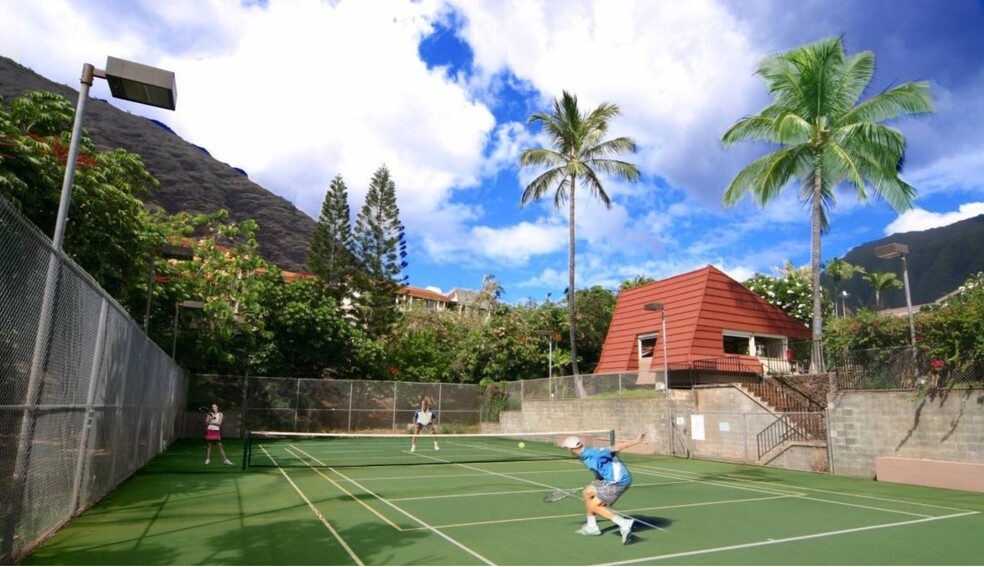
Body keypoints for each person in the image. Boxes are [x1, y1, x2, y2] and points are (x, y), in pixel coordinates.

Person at [562, 431, 646, 544]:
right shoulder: (583, 456)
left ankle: (624, 523)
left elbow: (616, 447)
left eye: (567, 448)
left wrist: (636, 440)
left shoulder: (593, 453)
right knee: (587, 492)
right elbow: (598, 469)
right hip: (608, 480)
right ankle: (592, 527)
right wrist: (596, 481)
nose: (567, 450)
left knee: (595, 506)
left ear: (571, 449)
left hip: (618, 481)